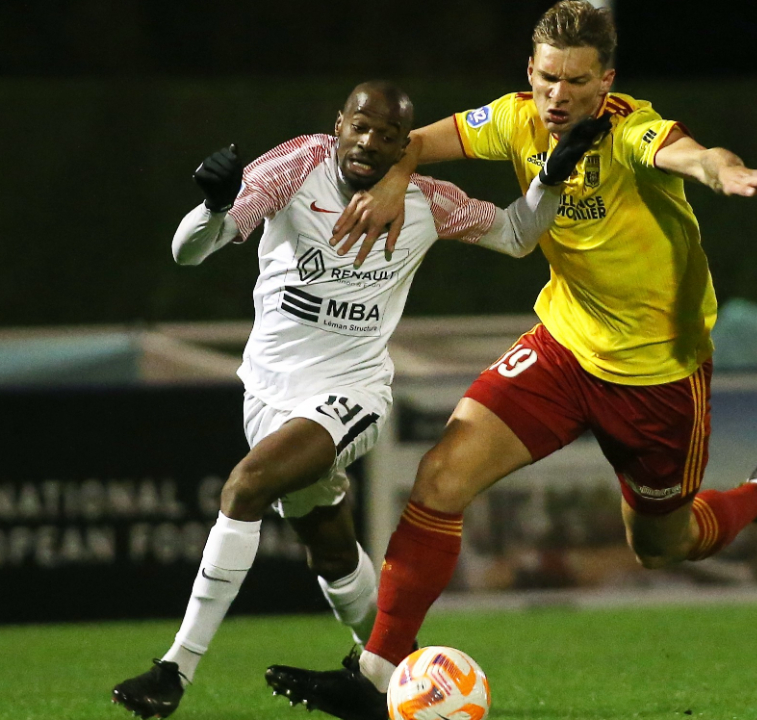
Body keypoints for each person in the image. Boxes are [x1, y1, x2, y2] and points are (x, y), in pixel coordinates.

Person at [264, 5, 757, 720]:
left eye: (577, 81)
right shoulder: (512, 119)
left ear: (605, 82)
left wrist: (725, 173)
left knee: (662, 544)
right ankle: (377, 675)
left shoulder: (629, 128)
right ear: (530, 73)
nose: (558, 96)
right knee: (442, 476)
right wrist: (393, 180)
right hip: (562, 348)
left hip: (657, 378)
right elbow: (410, 142)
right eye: (547, 77)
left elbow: (690, 153)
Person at [109, 79, 608, 719]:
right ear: (338, 124)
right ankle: (394, 675)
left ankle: (175, 669)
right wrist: (210, 206)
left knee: (246, 486)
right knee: (332, 548)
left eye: (388, 136)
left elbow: (515, 234)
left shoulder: (428, 201)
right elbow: (189, 253)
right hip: (265, 391)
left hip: (353, 392)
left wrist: (552, 179)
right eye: (360, 127)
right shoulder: (294, 166)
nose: (369, 143)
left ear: (406, 147)